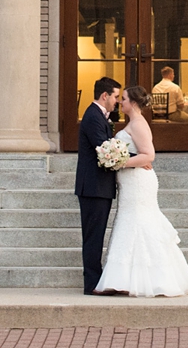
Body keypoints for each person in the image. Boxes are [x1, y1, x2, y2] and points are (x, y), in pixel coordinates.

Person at [94, 85, 188, 297]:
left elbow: (148, 155)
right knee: (129, 222)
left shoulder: (139, 124)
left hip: (138, 181)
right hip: (130, 182)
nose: (120, 102)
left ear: (133, 103)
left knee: (139, 222)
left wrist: (118, 162)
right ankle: (123, 279)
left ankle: (152, 279)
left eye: (123, 98)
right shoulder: (132, 123)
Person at [76, 76, 121, 295]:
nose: (117, 102)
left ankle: (96, 280)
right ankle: (92, 284)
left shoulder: (99, 116)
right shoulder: (93, 116)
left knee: (96, 235)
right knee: (93, 236)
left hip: (98, 187)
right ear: (105, 95)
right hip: (93, 187)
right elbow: (105, 150)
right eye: (115, 97)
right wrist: (131, 158)